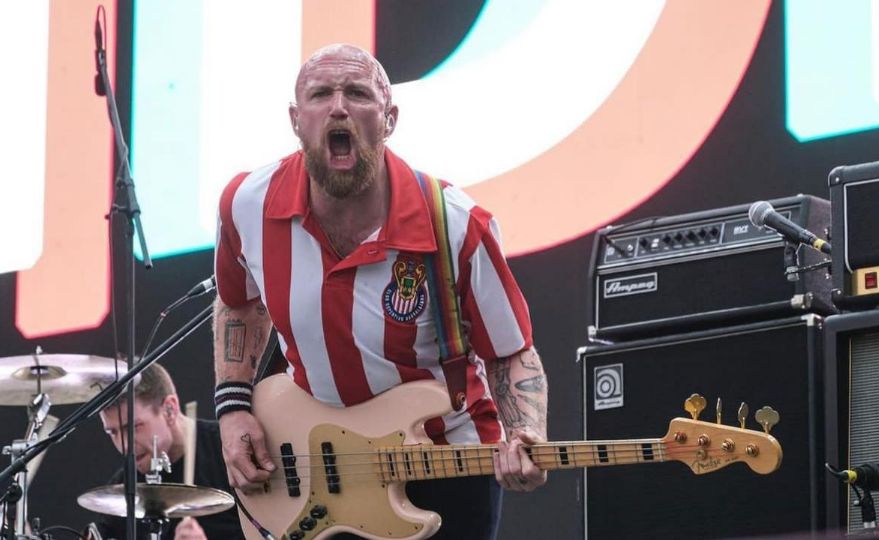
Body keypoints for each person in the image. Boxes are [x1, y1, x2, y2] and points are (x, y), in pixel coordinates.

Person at [212, 43, 548, 539]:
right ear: (295, 120)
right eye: (321, 94)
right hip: (318, 468)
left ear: (389, 118)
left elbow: (511, 352)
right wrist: (233, 407)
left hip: (446, 460)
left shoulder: (454, 225)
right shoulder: (247, 205)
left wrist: (528, 434)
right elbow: (239, 301)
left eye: (358, 94)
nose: (339, 106)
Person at [91, 363, 244, 540]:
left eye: (133, 427)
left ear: (169, 409)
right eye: (113, 432)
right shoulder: (123, 489)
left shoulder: (230, 451)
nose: (124, 446)